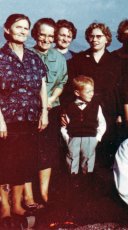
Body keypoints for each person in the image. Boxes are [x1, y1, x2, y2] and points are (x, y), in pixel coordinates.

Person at [0, 14, 48, 226]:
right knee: (4, 163)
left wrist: (44, 112)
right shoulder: (0, 58)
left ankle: (18, 204)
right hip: (7, 120)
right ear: (7, 29)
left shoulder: (33, 57)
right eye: (18, 27)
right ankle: (5, 208)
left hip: (30, 118)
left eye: (26, 28)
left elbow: (42, 85)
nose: (22, 31)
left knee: (22, 163)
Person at [24, 18, 68, 208]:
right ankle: (28, 197)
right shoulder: (25, 55)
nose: (47, 39)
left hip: (51, 109)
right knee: (26, 153)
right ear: (35, 34)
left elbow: (62, 82)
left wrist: (49, 101)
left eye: (51, 35)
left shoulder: (59, 57)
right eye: (43, 34)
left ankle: (44, 193)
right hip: (29, 111)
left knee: (47, 152)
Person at [68, 22, 122, 166]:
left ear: (107, 39)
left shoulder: (116, 62)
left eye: (99, 36)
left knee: (105, 154)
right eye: (91, 36)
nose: (95, 39)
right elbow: (70, 88)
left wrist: (120, 113)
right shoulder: (78, 59)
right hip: (84, 114)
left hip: (109, 112)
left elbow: (120, 90)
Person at [61, 76, 106, 176]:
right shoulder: (69, 107)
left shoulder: (96, 106)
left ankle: (87, 180)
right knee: (72, 158)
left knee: (88, 159)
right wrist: (67, 138)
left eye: (92, 91)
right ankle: (73, 179)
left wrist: (97, 138)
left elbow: (102, 124)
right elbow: (64, 126)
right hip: (73, 138)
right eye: (88, 92)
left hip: (90, 138)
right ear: (77, 93)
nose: (92, 94)